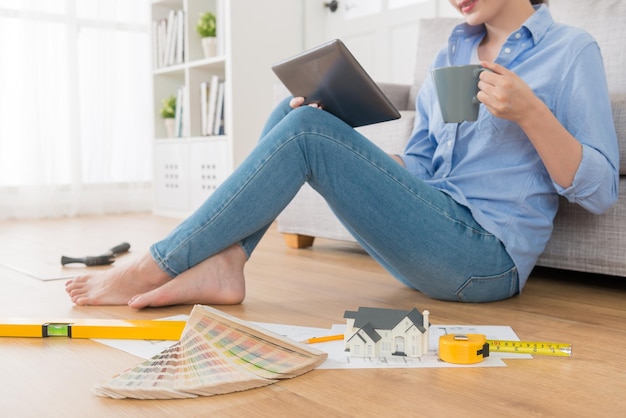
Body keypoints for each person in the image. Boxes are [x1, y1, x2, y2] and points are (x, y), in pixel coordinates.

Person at [66, 0, 618, 308]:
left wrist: (531, 113)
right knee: (296, 113)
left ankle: (153, 265)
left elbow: (600, 192)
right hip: (433, 231)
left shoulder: (569, 53)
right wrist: (347, 147)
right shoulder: (451, 53)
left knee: (304, 128)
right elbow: (421, 173)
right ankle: (229, 263)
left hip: (487, 261)